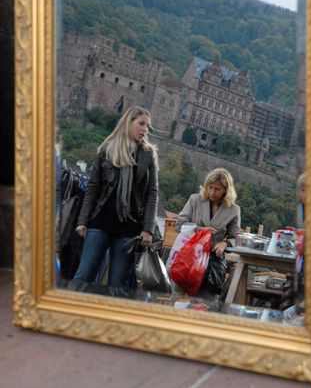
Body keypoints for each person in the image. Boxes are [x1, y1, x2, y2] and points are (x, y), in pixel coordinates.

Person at [70, 106, 159, 291]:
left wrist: (148, 229)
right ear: (129, 123)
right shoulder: (107, 150)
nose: (145, 129)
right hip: (101, 220)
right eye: (141, 123)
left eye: (148, 126)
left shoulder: (148, 154)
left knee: (117, 284)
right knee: (84, 274)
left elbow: (152, 193)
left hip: (130, 226)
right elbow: (93, 188)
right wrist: (83, 220)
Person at [175, 168, 240, 297]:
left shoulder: (233, 210)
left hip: (212, 262)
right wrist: (198, 229)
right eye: (210, 187)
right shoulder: (195, 200)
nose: (212, 192)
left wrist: (225, 244)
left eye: (217, 189)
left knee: (205, 302)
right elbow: (179, 224)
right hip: (189, 258)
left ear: (226, 190)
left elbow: (236, 238)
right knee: (180, 298)